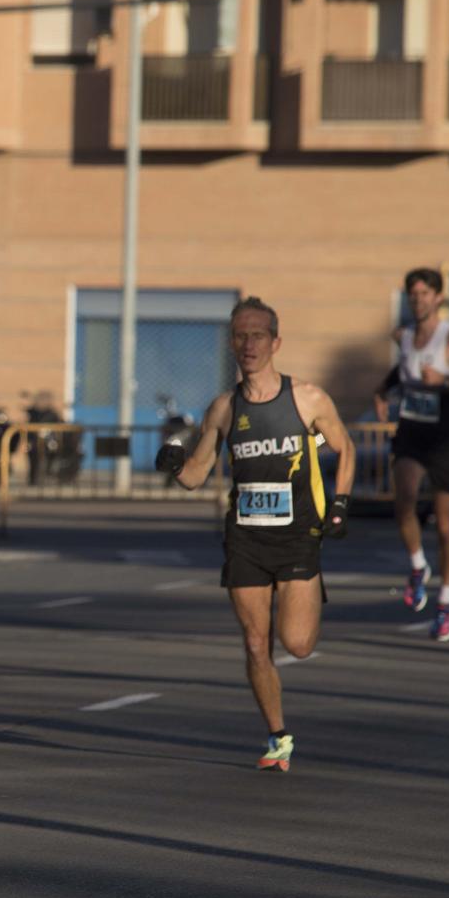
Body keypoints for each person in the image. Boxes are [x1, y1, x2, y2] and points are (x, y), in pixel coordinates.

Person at [158, 297, 355, 773]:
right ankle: (278, 736)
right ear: (232, 343)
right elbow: (197, 473)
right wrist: (173, 464)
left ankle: (302, 597)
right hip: (245, 538)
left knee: (298, 644)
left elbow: (345, 449)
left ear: (275, 342)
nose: (248, 345)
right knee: (253, 641)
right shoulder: (225, 407)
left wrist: (340, 504)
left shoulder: (307, 398)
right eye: (240, 336)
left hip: (297, 538)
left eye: (257, 336)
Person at [371, 267, 449, 642]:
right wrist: (380, 392)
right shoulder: (403, 336)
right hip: (412, 432)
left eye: (424, 293)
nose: (418, 299)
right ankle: (419, 566)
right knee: (402, 502)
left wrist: (447, 381)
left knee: (446, 523)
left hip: (447, 438)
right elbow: (401, 372)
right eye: (412, 294)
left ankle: (446, 601)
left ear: (438, 297)